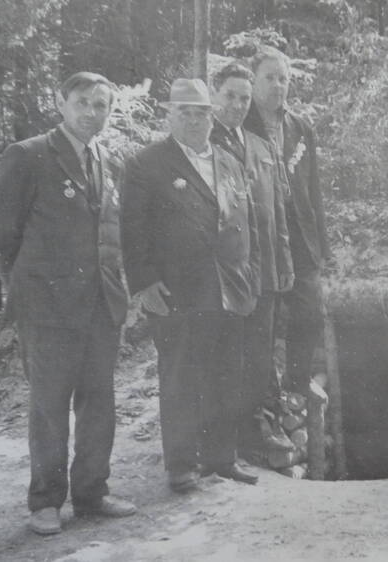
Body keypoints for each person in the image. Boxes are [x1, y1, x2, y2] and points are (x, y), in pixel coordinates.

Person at [0, 71, 136, 536]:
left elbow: (110, 233)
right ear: (61, 102)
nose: (93, 113)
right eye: (83, 102)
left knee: (99, 402)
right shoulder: (28, 155)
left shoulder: (108, 160)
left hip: (100, 305)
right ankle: (45, 501)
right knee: (49, 405)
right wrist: (26, 287)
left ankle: (92, 492)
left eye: (102, 106)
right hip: (47, 308)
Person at [121, 78, 261, 492]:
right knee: (180, 377)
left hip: (228, 287)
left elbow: (242, 221)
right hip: (177, 291)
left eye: (202, 112)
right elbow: (132, 229)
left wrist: (248, 271)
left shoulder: (228, 161)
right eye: (185, 111)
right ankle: (181, 465)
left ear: (211, 116)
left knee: (226, 374)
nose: (196, 120)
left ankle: (222, 458)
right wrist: (145, 283)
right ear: (169, 115)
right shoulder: (146, 163)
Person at [209, 62, 296, 457]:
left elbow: (276, 214)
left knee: (260, 354)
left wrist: (285, 264)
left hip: (264, 272)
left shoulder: (261, 147)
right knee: (226, 358)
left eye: (245, 98)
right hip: (223, 275)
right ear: (214, 94)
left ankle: (258, 429)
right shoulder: (201, 143)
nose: (238, 105)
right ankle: (225, 439)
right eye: (230, 95)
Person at [243, 47, 331, 396]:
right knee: (263, 318)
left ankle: (298, 381)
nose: (278, 85)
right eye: (270, 77)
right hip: (262, 235)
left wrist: (321, 245)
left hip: (299, 234)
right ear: (253, 80)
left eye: (284, 78)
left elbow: (314, 190)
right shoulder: (240, 124)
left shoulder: (300, 127)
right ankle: (265, 393)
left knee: (310, 311)